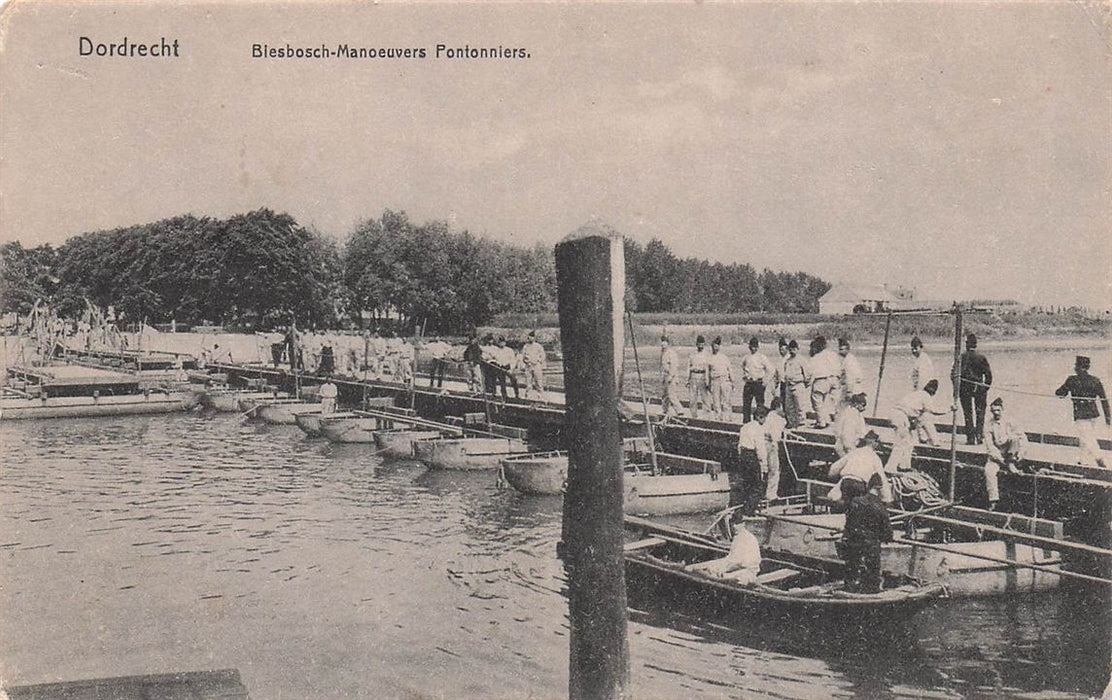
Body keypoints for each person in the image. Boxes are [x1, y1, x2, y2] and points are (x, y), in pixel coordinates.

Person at [838, 472, 894, 594]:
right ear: (879, 489)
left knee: (851, 570)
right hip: (871, 545)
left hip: (854, 542)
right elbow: (888, 533)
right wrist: (885, 537)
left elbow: (849, 523)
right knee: (872, 575)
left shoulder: (856, 502)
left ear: (869, 486)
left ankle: (849, 591)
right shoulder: (880, 508)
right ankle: (870, 593)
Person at [885, 379, 953, 473]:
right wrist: (949, 409)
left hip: (897, 414)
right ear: (933, 392)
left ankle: (904, 466)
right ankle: (890, 468)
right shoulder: (926, 397)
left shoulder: (917, 394)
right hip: (901, 416)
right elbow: (933, 411)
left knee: (910, 442)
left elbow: (916, 415)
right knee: (901, 443)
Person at [1055, 355, 1110, 468]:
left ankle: (1101, 462)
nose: (1075, 368)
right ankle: (1082, 461)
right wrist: (1108, 418)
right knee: (1086, 437)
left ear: (1078, 367)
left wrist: (1064, 388)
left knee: (1088, 439)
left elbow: (1059, 394)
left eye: (1076, 366)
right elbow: (1104, 400)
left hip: (1081, 416)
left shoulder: (1072, 380)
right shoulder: (1095, 380)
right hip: (1094, 415)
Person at [828, 430, 893, 505]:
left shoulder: (854, 452)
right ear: (875, 444)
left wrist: (831, 476)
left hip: (846, 482)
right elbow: (882, 479)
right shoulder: (875, 458)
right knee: (858, 506)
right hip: (859, 484)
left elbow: (835, 467)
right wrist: (887, 498)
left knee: (843, 502)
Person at [984, 397, 1026, 510]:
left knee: (1014, 437)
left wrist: (1020, 455)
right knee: (989, 471)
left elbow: (1022, 438)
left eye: (998, 410)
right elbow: (990, 446)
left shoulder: (1011, 421)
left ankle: (1011, 463)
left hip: (1011, 452)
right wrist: (1000, 460)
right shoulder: (988, 424)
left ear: (1003, 409)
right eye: (993, 411)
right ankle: (993, 500)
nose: (996, 413)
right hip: (998, 455)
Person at [685, 526, 762, 585]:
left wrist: (719, 570)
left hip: (746, 573)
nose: (733, 527)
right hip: (742, 569)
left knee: (716, 576)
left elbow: (735, 563)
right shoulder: (742, 536)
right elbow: (731, 560)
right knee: (708, 569)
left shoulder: (742, 538)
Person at [958, 333, 992, 445]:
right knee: (980, 412)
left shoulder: (961, 357)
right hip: (979, 387)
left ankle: (970, 438)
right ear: (976, 345)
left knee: (967, 414)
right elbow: (988, 376)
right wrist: (985, 388)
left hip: (964, 387)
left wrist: (957, 388)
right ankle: (979, 436)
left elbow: (954, 373)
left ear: (967, 344)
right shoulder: (981, 357)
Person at [737, 405, 770, 513]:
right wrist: (764, 463)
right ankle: (749, 510)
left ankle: (743, 507)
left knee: (746, 483)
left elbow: (739, 445)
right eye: (765, 418)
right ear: (760, 417)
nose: (765, 421)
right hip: (751, 455)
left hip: (743, 455)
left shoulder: (745, 427)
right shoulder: (758, 429)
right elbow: (760, 447)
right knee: (757, 485)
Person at [808, 336, 840, 428]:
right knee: (826, 402)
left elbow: (810, 373)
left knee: (817, 400)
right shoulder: (833, 355)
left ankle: (821, 422)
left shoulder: (816, 358)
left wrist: (808, 383)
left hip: (821, 380)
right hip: (834, 380)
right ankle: (827, 420)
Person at [740, 337, 772, 423]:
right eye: (751, 346)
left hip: (758, 383)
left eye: (755, 347)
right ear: (749, 347)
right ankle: (746, 422)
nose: (753, 348)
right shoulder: (746, 357)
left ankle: (759, 422)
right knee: (746, 404)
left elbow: (770, 370)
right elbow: (742, 367)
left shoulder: (762, 357)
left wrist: (765, 382)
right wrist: (745, 376)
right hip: (749, 383)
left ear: (758, 347)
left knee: (760, 404)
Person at [782, 340, 811, 429]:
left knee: (800, 406)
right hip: (789, 386)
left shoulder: (801, 360)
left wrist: (804, 384)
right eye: (790, 349)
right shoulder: (787, 361)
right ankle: (792, 423)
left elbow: (807, 374)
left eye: (794, 349)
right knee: (789, 407)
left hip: (798, 385)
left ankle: (801, 424)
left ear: (797, 349)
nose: (792, 351)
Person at [763, 398, 787, 501]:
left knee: (765, 469)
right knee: (774, 470)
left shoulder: (768, 416)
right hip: (771, 444)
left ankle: (763, 492)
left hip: (763, 443)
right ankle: (771, 494)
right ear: (779, 407)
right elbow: (776, 436)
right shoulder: (778, 419)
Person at [832, 392, 868, 458]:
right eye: (862, 405)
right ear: (856, 404)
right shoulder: (851, 414)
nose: (864, 408)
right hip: (847, 447)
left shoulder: (855, 413)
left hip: (849, 445)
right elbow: (847, 435)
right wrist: (851, 449)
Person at [707, 336, 734, 421]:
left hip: (724, 380)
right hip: (715, 380)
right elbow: (708, 372)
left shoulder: (724, 357)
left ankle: (727, 417)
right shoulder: (709, 358)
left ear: (719, 347)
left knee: (726, 400)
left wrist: (732, 381)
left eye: (717, 346)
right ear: (712, 347)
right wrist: (708, 383)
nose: (716, 348)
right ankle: (718, 417)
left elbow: (730, 369)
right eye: (714, 346)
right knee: (716, 400)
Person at [660, 335, 684, 420]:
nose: (663, 344)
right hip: (665, 376)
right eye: (662, 342)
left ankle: (679, 411)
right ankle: (665, 410)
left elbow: (674, 366)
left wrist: (670, 376)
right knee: (664, 395)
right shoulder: (663, 353)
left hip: (671, 377)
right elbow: (663, 367)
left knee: (671, 395)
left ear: (668, 343)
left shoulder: (672, 353)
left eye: (664, 342)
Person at [688, 335, 711, 419]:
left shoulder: (707, 354)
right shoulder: (692, 354)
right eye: (699, 344)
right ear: (696, 344)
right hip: (694, 376)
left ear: (704, 344)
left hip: (702, 376)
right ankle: (693, 416)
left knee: (704, 397)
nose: (700, 346)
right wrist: (688, 379)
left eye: (702, 344)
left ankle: (706, 416)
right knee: (692, 398)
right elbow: (688, 367)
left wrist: (707, 380)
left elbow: (708, 368)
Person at [837, 338, 864, 410]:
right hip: (853, 387)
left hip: (851, 388)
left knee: (847, 408)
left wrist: (849, 391)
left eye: (842, 349)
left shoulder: (849, 361)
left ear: (847, 350)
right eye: (840, 349)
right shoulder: (850, 359)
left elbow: (850, 376)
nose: (840, 352)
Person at [520, 331, 547, 399]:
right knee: (528, 381)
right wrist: (526, 362)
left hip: (536, 365)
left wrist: (539, 361)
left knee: (538, 381)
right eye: (530, 337)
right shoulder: (525, 346)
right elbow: (523, 356)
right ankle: (528, 394)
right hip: (528, 366)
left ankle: (540, 394)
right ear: (528, 337)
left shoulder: (538, 346)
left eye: (532, 337)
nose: (531, 338)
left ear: (534, 338)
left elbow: (543, 356)